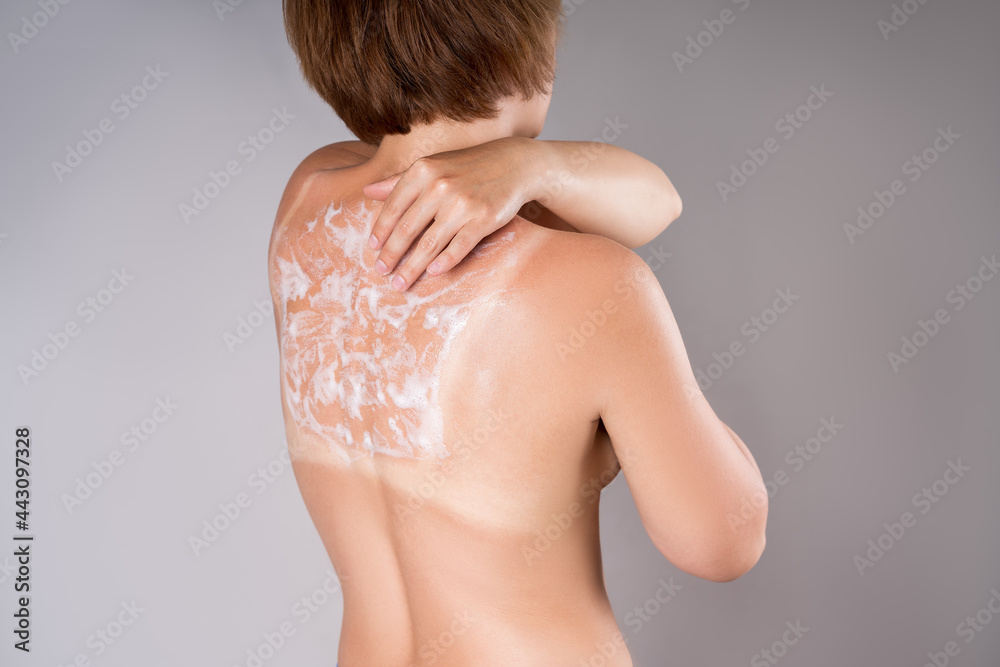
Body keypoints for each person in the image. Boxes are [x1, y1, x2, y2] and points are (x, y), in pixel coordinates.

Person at [269, 1, 768, 664]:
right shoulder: (594, 283)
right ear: (531, 36)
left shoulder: (306, 205)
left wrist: (533, 167)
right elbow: (723, 541)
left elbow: (656, 200)